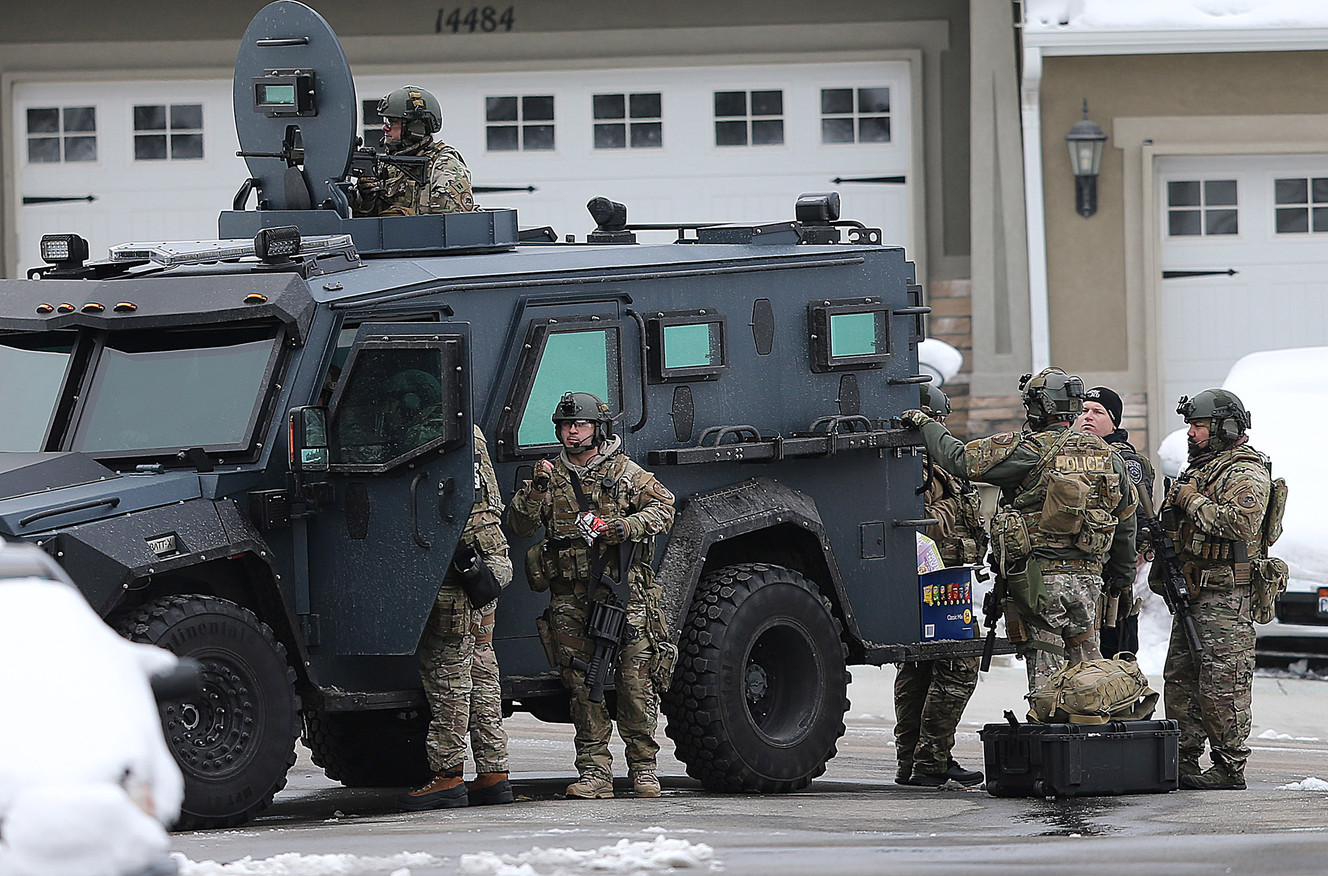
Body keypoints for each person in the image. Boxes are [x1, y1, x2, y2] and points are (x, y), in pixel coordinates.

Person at [902, 367, 1137, 693]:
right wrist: (1122, 578)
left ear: (1039, 408)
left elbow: (959, 460)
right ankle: (1087, 721)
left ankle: (1050, 722)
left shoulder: (1029, 450)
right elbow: (1125, 524)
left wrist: (925, 423)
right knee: (1087, 675)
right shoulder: (1109, 456)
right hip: (1089, 582)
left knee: (1048, 678)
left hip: (1039, 582)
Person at [507, 392, 676, 799]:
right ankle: (595, 772)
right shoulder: (549, 478)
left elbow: (665, 509)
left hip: (625, 596)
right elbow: (520, 525)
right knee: (584, 685)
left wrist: (627, 526)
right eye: (566, 425)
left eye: (579, 424)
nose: (572, 431)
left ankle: (644, 769)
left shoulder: (624, 472)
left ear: (597, 429)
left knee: (635, 684)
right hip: (571, 600)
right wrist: (536, 489)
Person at [1158, 389, 1270, 791]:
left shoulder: (1244, 472)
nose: (1191, 433)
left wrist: (1189, 500)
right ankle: (1183, 757)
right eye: (1191, 425)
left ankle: (1229, 766)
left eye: (1199, 425)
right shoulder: (1202, 468)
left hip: (1225, 597)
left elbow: (1240, 524)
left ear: (1225, 427)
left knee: (1223, 682)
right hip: (1192, 593)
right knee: (1181, 679)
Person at [397, 425, 515, 810]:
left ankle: (447, 776)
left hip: (457, 563)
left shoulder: (434, 426)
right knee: (481, 666)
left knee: (447, 670)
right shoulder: (470, 429)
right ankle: (494, 773)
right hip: (487, 560)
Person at [894, 385, 985, 788]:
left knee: (919, 669)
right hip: (937, 578)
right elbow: (920, 522)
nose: (942, 426)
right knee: (959, 664)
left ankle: (913, 761)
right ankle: (931, 760)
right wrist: (956, 506)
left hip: (933, 576)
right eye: (938, 420)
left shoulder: (919, 462)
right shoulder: (918, 466)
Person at [1074, 385, 1155, 657]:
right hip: (1076, 573)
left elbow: (1139, 519)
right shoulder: (1070, 455)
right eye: (1084, 410)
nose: (1088, 416)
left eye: (1098, 412)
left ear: (1114, 421)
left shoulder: (1125, 460)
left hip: (1111, 577)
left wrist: (1123, 568)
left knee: (1113, 655)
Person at [352, 84, 476, 217]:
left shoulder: (443, 167)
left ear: (415, 127)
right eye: (386, 121)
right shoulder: (388, 165)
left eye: (393, 122)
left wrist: (405, 218)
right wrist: (367, 199)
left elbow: (452, 223)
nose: (385, 128)